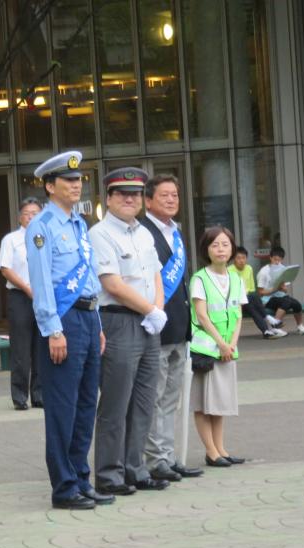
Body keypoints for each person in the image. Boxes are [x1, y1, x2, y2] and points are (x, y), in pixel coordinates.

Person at [25, 151, 112, 511]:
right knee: (63, 407)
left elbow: (89, 277)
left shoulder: (78, 223)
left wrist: (99, 324)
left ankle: (80, 478)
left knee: (87, 404)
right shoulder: (41, 227)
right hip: (64, 321)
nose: (76, 185)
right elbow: (42, 282)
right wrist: (52, 330)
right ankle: (63, 487)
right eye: (68, 180)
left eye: (78, 180)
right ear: (50, 186)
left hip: (89, 319)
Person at [89, 167, 169, 496]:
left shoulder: (144, 233)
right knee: (116, 402)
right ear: (108, 198)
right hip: (119, 321)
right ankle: (109, 474)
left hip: (149, 323)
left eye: (134, 194)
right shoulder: (100, 234)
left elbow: (156, 277)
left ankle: (135, 468)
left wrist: (158, 310)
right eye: (121, 193)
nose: (129, 198)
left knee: (144, 401)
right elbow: (113, 285)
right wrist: (151, 310)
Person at [139, 175, 204, 482]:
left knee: (170, 400)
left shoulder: (175, 233)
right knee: (155, 397)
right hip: (157, 330)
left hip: (179, 328)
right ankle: (155, 460)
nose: (171, 200)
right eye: (164, 195)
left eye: (175, 195)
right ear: (148, 201)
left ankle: (167, 456)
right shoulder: (142, 232)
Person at [189, 227, 246, 468]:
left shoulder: (236, 278)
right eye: (215, 245)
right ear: (206, 250)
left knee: (219, 402)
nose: (221, 249)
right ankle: (211, 452)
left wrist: (231, 344)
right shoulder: (200, 278)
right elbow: (201, 316)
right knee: (203, 403)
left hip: (226, 351)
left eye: (225, 244)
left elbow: (239, 315)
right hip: (206, 351)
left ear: (232, 248)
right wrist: (221, 343)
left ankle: (221, 448)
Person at [0, 197, 43, 410]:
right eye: (27, 213)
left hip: (42, 298)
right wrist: (27, 288)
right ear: (20, 216)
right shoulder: (11, 239)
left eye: (36, 212)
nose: (32, 216)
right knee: (21, 350)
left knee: (41, 348)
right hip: (20, 298)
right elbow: (5, 268)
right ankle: (19, 396)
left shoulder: (45, 238)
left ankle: (39, 395)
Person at [231, 246, 286, 339]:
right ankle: (268, 318)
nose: (241, 260)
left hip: (248, 300)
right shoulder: (229, 270)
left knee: (252, 307)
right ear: (234, 259)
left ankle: (266, 331)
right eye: (238, 258)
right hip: (235, 301)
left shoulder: (249, 268)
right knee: (252, 297)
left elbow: (252, 287)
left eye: (243, 258)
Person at [256, 246, 304, 335]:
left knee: (297, 304)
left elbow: (285, 290)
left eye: (279, 260)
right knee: (286, 302)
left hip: (281, 297)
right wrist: (275, 289)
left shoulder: (283, 269)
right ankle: (275, 326)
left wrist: (283, 289)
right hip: (267, 299)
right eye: (275, 260)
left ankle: (300, 326)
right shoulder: (264, 272)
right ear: (270, 258)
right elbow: (260, 292)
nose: (277, 263)